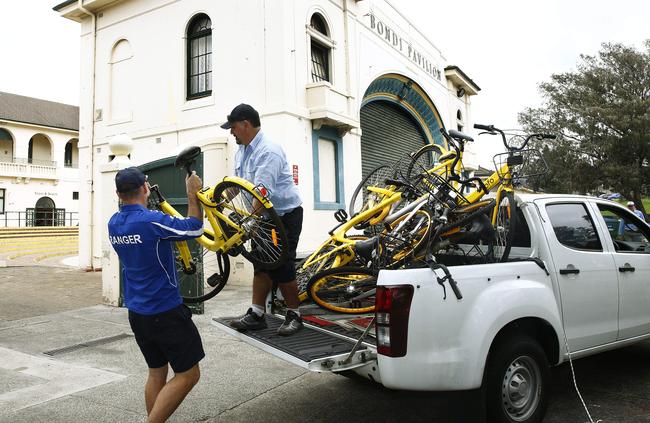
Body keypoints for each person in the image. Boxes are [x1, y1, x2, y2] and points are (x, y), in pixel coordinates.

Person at [108, 166, 205, 423]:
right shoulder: (150, 220)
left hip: (138, 313)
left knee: (156, 372)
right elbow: (194, 229)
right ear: (144, 188)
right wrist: (192, 193)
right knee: (189, 374)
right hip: (165, 311)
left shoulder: (114, 223)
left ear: (118, 193)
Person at [222, 104, 304, 336]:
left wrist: (249, 223)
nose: (232, 133)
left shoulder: (269, 151)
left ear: (245, 124)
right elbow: (237, 185)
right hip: (262, 217)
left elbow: (262, 192)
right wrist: (217, 201)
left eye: (233, 127)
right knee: (261, 264)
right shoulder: (243, 151)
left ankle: (295, 316)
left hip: (284, 216)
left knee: (282, 266)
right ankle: (257, 314)